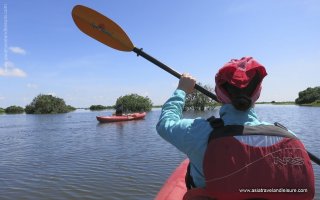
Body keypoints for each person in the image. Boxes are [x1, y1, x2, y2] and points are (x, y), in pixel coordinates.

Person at [156, 57, 315, 200]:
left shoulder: (196, 133)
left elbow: (165, 123)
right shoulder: (291, 138)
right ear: (258, 94)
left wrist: (181, 90)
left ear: (218, 94)